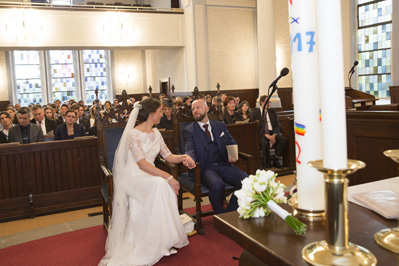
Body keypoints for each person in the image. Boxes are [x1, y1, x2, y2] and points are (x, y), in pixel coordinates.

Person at [99, 98, 195, 266]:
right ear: (151, 114)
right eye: (160, 111)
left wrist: (184, 157)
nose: (163, 113)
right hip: (133, 176)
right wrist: (169, 177)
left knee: (162, 185)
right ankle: (152, 242)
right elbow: (141, 164)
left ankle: (163, 239)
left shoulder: (156, 133)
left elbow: (169, 156)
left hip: (148, 175)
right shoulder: (133, 134)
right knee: (161, 184)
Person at [183, 99, 248, 214]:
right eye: (193, 109)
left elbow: (231, 141)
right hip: (204, 167)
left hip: (222, 164)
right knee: (218, 185)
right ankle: (220, 214)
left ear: (206, 109)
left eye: (198, 107)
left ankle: (229, 211)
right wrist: (189, 158)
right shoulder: (189, 130)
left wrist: (232, 154)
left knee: (246, 181)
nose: (195, 111)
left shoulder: (219, 125)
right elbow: (189, 149)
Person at [250, 95, 287, 169]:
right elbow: (255, 128)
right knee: (264, 144)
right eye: (267, 103)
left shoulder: (272, 111)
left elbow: (277, 125)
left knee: (284, 140)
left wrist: (274, 135)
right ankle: (267, 162)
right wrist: (267, 136)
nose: (269, 104)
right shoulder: (255, 113)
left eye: (269, 103)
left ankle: (276, 160)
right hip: (262, 134)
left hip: (273, 133)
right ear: (261, 102)